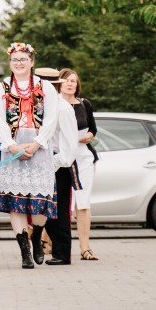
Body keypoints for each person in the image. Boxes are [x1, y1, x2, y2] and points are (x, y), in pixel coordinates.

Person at [0, 42, 59, 269]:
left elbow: (52, 118)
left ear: (32, 62)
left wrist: (37, 144)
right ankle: (24, 252)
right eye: (15, 60)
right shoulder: (1, 88)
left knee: (40, 203)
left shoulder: (45, 87)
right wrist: (12, 146)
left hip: (39, 146)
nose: (19, 63)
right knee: (16, 204)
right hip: (13, 147)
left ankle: (37, 235)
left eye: (23, 59)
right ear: (10, 62)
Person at [34, 67, 79, 266]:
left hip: (58, 165)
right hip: (41, 162)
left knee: (59, 211)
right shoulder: (41, 107)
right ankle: (51, 248)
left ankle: (63, 253)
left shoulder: (63, 109)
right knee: (44, 210)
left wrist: (54, 164)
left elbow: (70, 145)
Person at [58, 68, 100, 262]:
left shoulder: (84, 104)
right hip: (59, 158)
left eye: (73, 81)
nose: (70, 83)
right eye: (66, 80)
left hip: (83, 156)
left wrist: (90, 136)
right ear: (59, 83)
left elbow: (93, 128)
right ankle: (48, 241)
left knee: (82, 202)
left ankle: (85, 248)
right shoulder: (54, 105)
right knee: (57, 202)